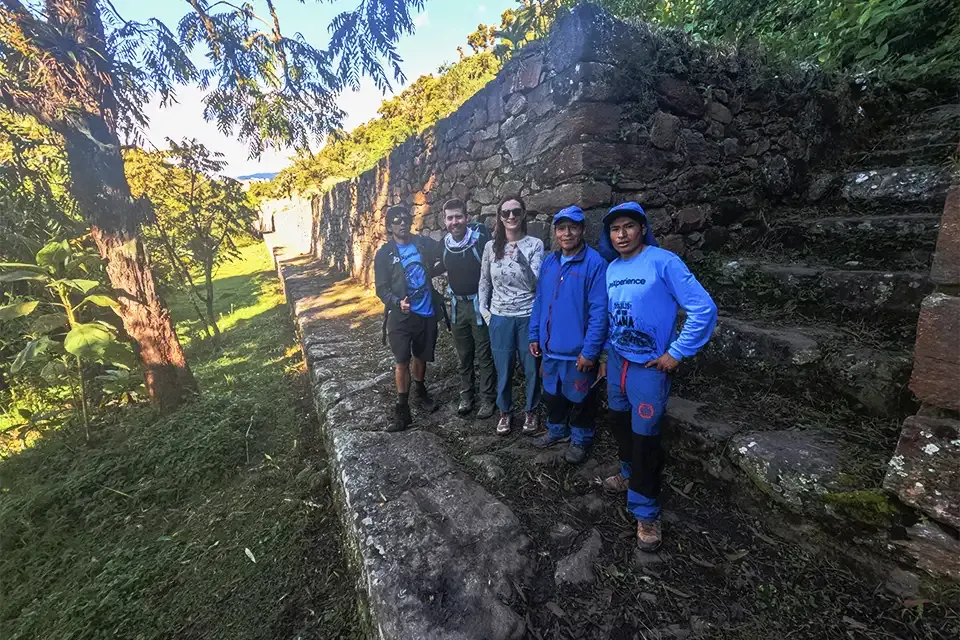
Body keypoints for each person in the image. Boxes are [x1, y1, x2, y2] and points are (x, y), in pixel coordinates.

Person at [597, 201, 717, 552]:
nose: (621, 234)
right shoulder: (612, 269)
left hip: (650, 366)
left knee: (646, 436)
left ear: (642, 229)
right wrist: (606, 354)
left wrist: (677, 352)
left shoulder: (664, 262)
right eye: (615, 229)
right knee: (619, 420)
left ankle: (646, 512)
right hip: (619, 360)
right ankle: (627, 473)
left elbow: (703, 308)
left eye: (628, 227)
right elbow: (610, 315)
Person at [528, 206, 608, 463]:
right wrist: (534, 335)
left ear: (582, 230)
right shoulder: (550, 262)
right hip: (550, 348)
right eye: (561, 228)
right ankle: (556, 430)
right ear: (555, 232)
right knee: (552, 393)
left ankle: (580, 439)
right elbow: (540, 301)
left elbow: (599, 312)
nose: (567, 233)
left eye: (573, 227)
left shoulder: (595, 264)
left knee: (582, 397)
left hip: (578, 352)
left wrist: (591, 351)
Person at [374, 204, 446, 432]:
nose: (402, 223)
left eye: (405, 219)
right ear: (389, 226)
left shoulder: (423, 244)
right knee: (402, 361)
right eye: (396, 220)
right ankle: (402, 409)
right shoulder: (385, 254)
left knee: (421, 356)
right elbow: (381, 288)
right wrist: (397, 302)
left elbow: (445, 249)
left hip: (426, 312)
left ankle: (421, 391)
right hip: (401, 316)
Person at [478, 195, 544, 436]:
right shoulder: (490, 247)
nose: (511, 216)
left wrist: (522, 262)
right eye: (505, 213)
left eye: (516, 211)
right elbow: (484, 281)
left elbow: (535, 285)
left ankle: (531, 410)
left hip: (527, 315)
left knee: (530, 368)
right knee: (503, 368)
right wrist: (485, 313)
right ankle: (505, 412)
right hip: (500, 317)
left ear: (524, 214)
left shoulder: (535, 245)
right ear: (500, 217)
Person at [441, 197, 497, 419]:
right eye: (450, 218)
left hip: (479, 304)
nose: (454, 222)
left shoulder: (479, 239)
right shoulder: (445, 245)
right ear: (444, 220)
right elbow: (434, 266)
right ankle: (466, 396)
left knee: (484, 353)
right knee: (463, 355)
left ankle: (488, 398)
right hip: (457, 306)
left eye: (458, 217)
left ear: (467, 218)